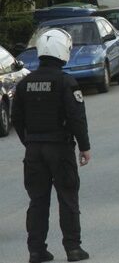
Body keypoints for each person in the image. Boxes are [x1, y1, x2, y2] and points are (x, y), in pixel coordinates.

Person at [11, 28, 91, 263]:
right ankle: (73, 249)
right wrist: (84, 147)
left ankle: (36, 251)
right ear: (61, 50)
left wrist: (30, 141)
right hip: (60, 148)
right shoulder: (66, 82)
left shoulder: (25, 83)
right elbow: (76, 117)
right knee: (67, 197)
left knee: (37, 200)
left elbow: (16, 118)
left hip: (34, 150)